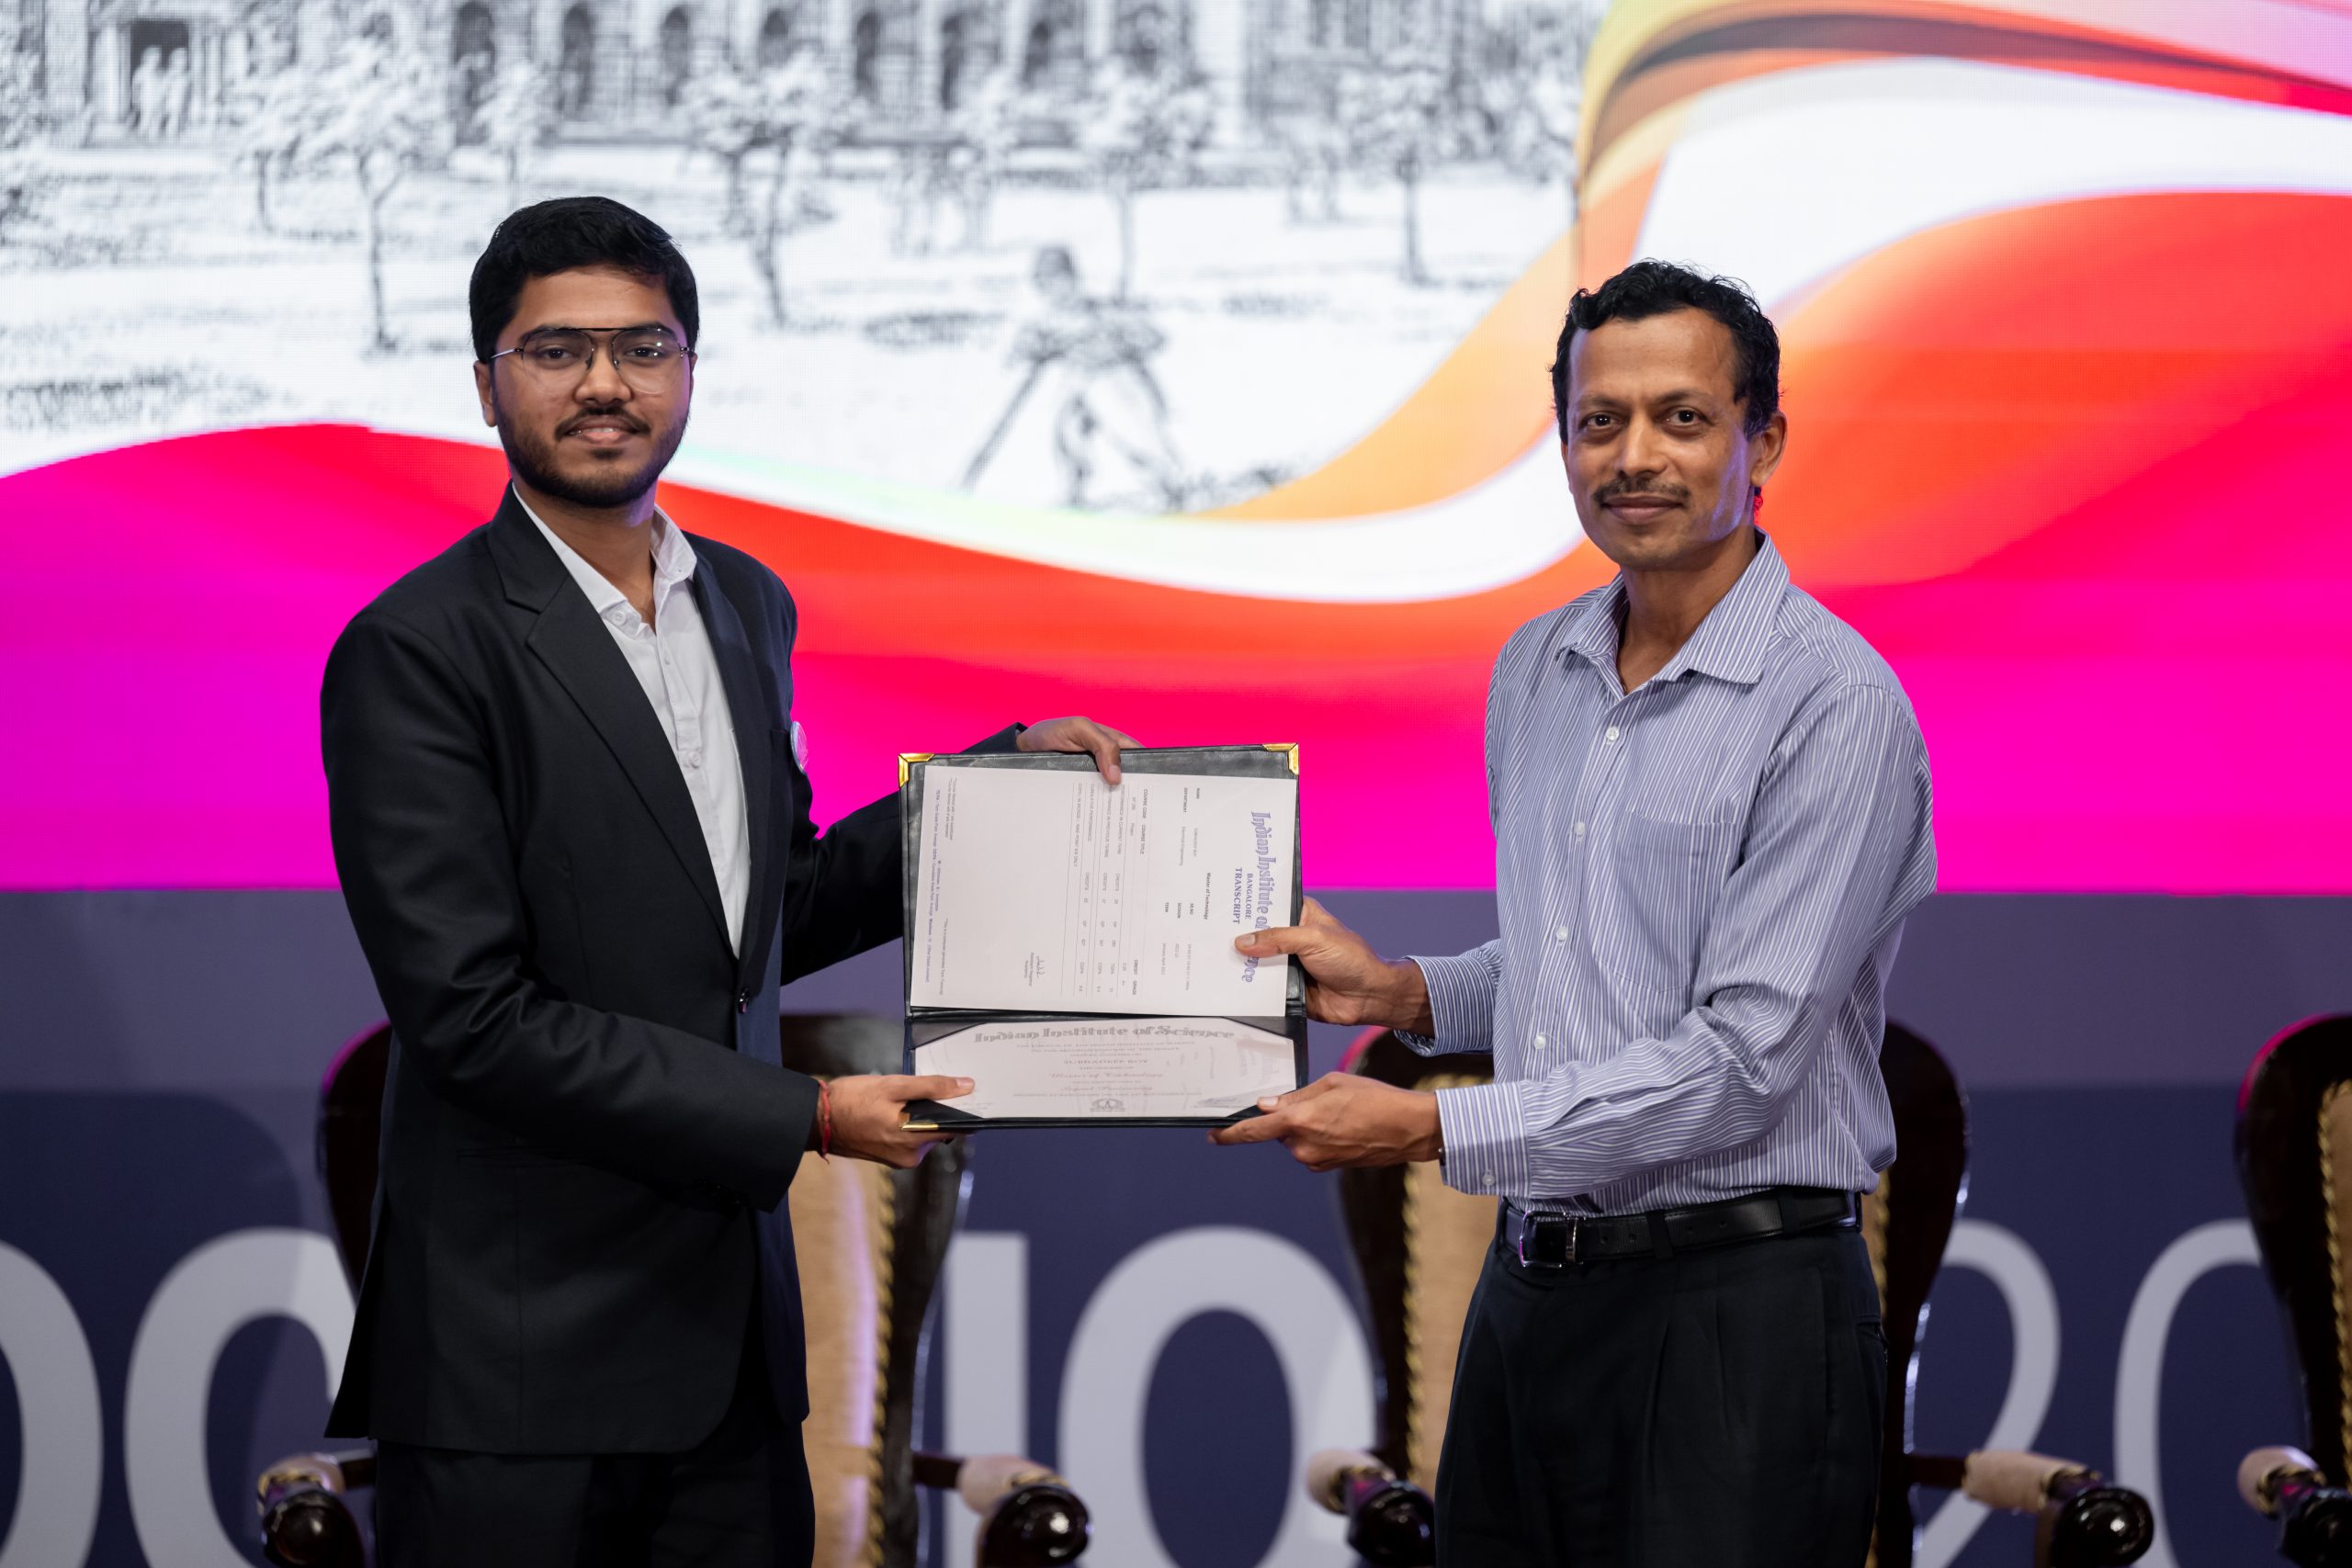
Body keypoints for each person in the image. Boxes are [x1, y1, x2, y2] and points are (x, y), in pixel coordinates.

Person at [320, 196, 1134, 1567]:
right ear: (486, 384)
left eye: (642, 347)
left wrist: (986, 799)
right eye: (555, 351)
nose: (604, 384)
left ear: (688, 369)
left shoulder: (747, 602)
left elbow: (762, 919)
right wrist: (803, 1112)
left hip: (731, 1355)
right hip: (517, 1365)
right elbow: (471, 1017)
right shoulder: (415, 648)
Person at [1213, 259, 1935, 1566]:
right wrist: (1401, 992)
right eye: (1601, 421)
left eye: (1683, 418)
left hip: (1737, 1315)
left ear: (1764, 440)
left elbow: (1739, 1063)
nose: (1635, 456)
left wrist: (1432, 1125)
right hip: (1533, 1295)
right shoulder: (1537, 670)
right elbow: (1585, 963)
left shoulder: (1836, 705)